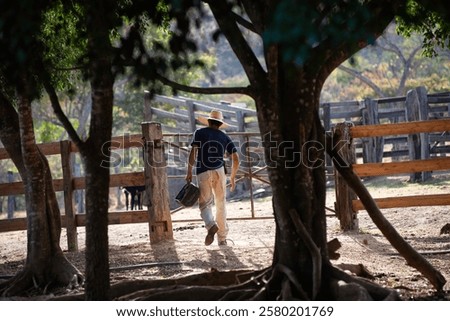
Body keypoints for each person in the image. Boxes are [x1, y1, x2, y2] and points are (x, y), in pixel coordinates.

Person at [185, 110, 239, 246]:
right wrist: (232, 177)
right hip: (220, 172)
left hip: (203, 171)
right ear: (220, 124)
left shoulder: (199, 132)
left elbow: (193, 152)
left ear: (208, 121)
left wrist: (189, 171)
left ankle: (211, 225)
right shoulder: (224, 136)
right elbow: (236, 159)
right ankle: (222, 239)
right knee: (221, 204)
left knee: (204, 204)